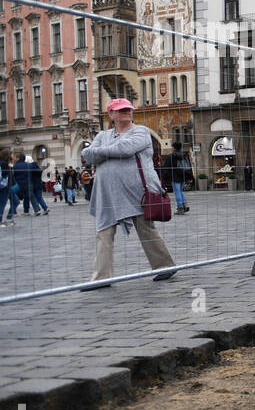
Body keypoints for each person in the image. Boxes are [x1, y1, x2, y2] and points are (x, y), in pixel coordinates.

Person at [80, 97, 177, 287]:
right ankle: (101, 277)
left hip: (136, 192)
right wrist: (100, 152)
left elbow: (125, 149)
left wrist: (99, 152)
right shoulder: (102, 135)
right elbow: (87, 155)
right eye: (121, 110)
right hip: (106, 194)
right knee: (103, 233)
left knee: (145, 228)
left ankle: (164, 266)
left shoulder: (140, 131)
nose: (126, 112)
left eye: (128, 109)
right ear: (111, 114)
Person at [162, 143, 192, 214]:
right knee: (181, 191)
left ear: (174, 148)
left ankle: (180, 208)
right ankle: (185, 204)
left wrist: (165, 176)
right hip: (183, 175)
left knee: (177, 192)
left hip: (175, 176)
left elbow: (166, 167)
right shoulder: (184, 155)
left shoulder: (171, 156)